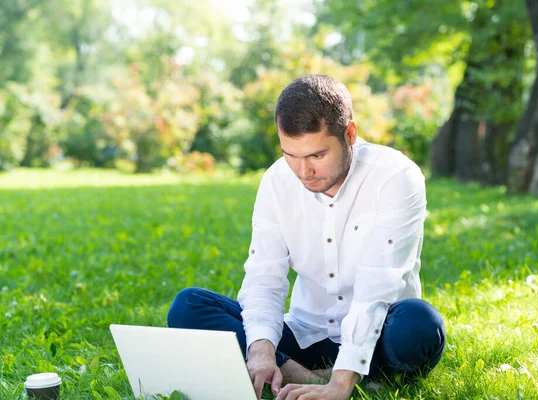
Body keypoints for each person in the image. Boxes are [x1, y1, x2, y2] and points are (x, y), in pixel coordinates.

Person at [167, 74, 445, 400]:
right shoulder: (276, 181)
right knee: (189, 306)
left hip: (379, 336)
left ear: (350, 134)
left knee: (420, 324)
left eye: (316, 155)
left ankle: (344, 379)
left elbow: (377, 287)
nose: (303, 172)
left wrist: (341, 384)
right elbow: (264, 277)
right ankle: (301, 375)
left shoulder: (396, 176)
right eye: (291, 155)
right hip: (306, 336)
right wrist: (260, 350)